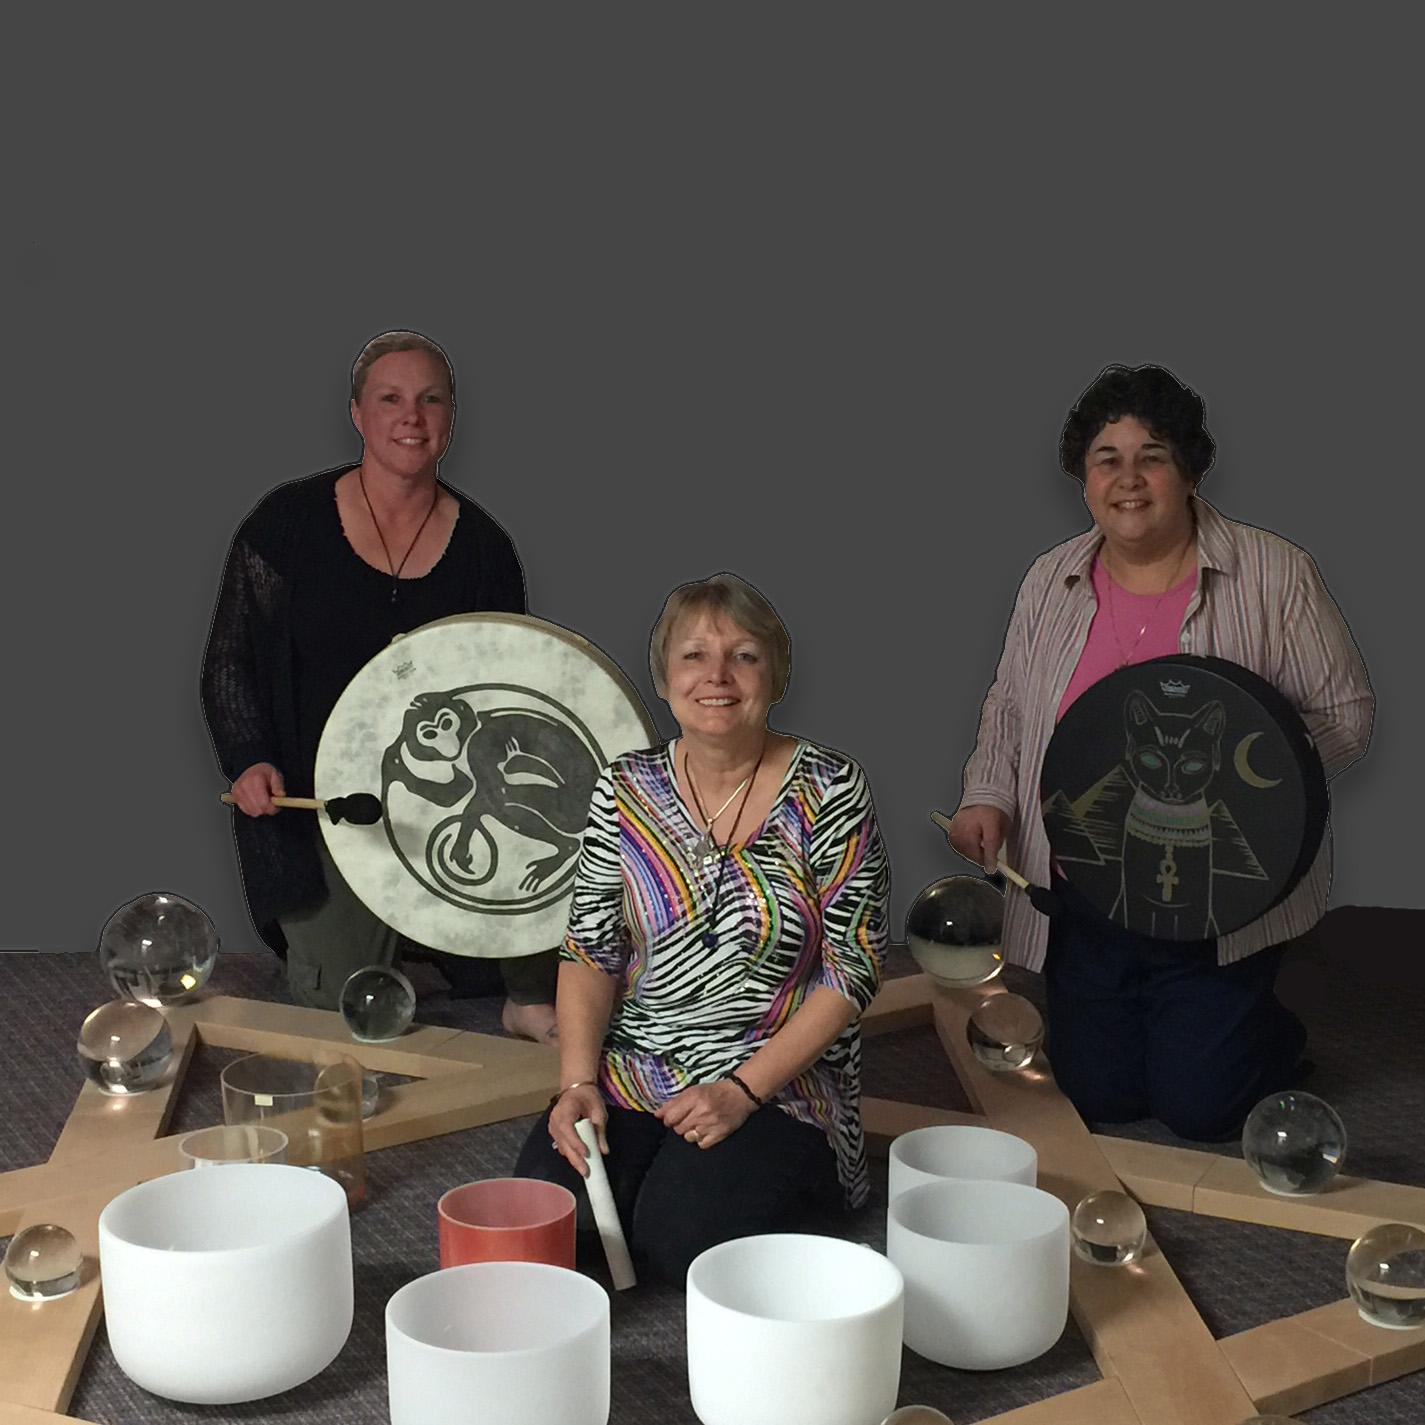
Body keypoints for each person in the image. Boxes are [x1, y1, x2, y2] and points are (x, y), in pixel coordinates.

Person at [944, 364, 1373, 1142]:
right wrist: (987, 796)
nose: (1128, 479)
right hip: (1084, 890)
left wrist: (1255, 786)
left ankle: (1267, 1028)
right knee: (1098, 1098)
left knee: (1200, 1108)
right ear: (1083, 476)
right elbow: (1009, 706)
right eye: (1106, 458)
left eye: (1152, 457)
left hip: (1216, 902)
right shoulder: (1048, 579)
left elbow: (1345, 713)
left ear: (1189, 470)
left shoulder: (1275, 572)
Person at [514, 574, 889, 1283]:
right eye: (693, 655)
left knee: (683, 1241)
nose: (717, 675)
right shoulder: (624, 788)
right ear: (664, 677)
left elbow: (854, 968)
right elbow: (591, 947)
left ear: (774, 675)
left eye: (743, 656)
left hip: (775, 1074)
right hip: (637, 1061)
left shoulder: (830, 789)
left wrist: (742, 1090)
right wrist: (575, 1083)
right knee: (550, 1221)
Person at [201, 330, 559, 1039]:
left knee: (544, 844)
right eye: (390, 399)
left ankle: (522, 994)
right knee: (341, 999)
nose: (411, 417)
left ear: (450, 416)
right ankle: (380, 937)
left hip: (451, 796)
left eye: (431, 400)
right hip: (326, 806)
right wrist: (248, 758)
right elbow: (229, 661)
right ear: (357, 413)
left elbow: (507, 688)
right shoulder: (287, 523)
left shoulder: (485, 548)